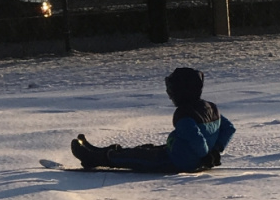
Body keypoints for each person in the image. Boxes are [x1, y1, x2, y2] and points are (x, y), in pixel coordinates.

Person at [71, 67, 235, 172]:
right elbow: (228, 128)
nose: (170, 95)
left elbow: (196, 138)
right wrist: (215, 151)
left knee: (137, 157)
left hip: (176, 161)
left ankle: (95, 158)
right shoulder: (210, 107)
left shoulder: (185, 114)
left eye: (173, 90)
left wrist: (206, 155)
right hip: (179, 153)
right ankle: (100, 151)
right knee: (146, 148)